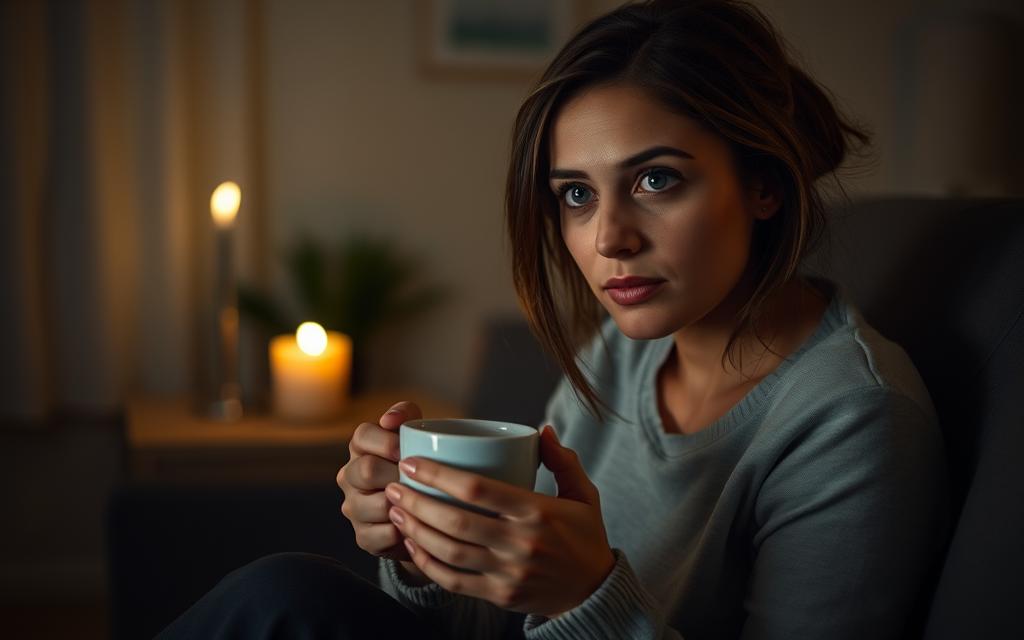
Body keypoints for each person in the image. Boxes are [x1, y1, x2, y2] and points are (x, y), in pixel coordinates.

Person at [159, 1, 950, 638]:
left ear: (765, 184)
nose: (608, 237)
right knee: (288, 594)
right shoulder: (623, 356)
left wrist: (589, 597)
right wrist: (426, 551)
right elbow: (498, 618)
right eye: (576, 194)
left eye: (656, 180)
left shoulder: (854, 420)